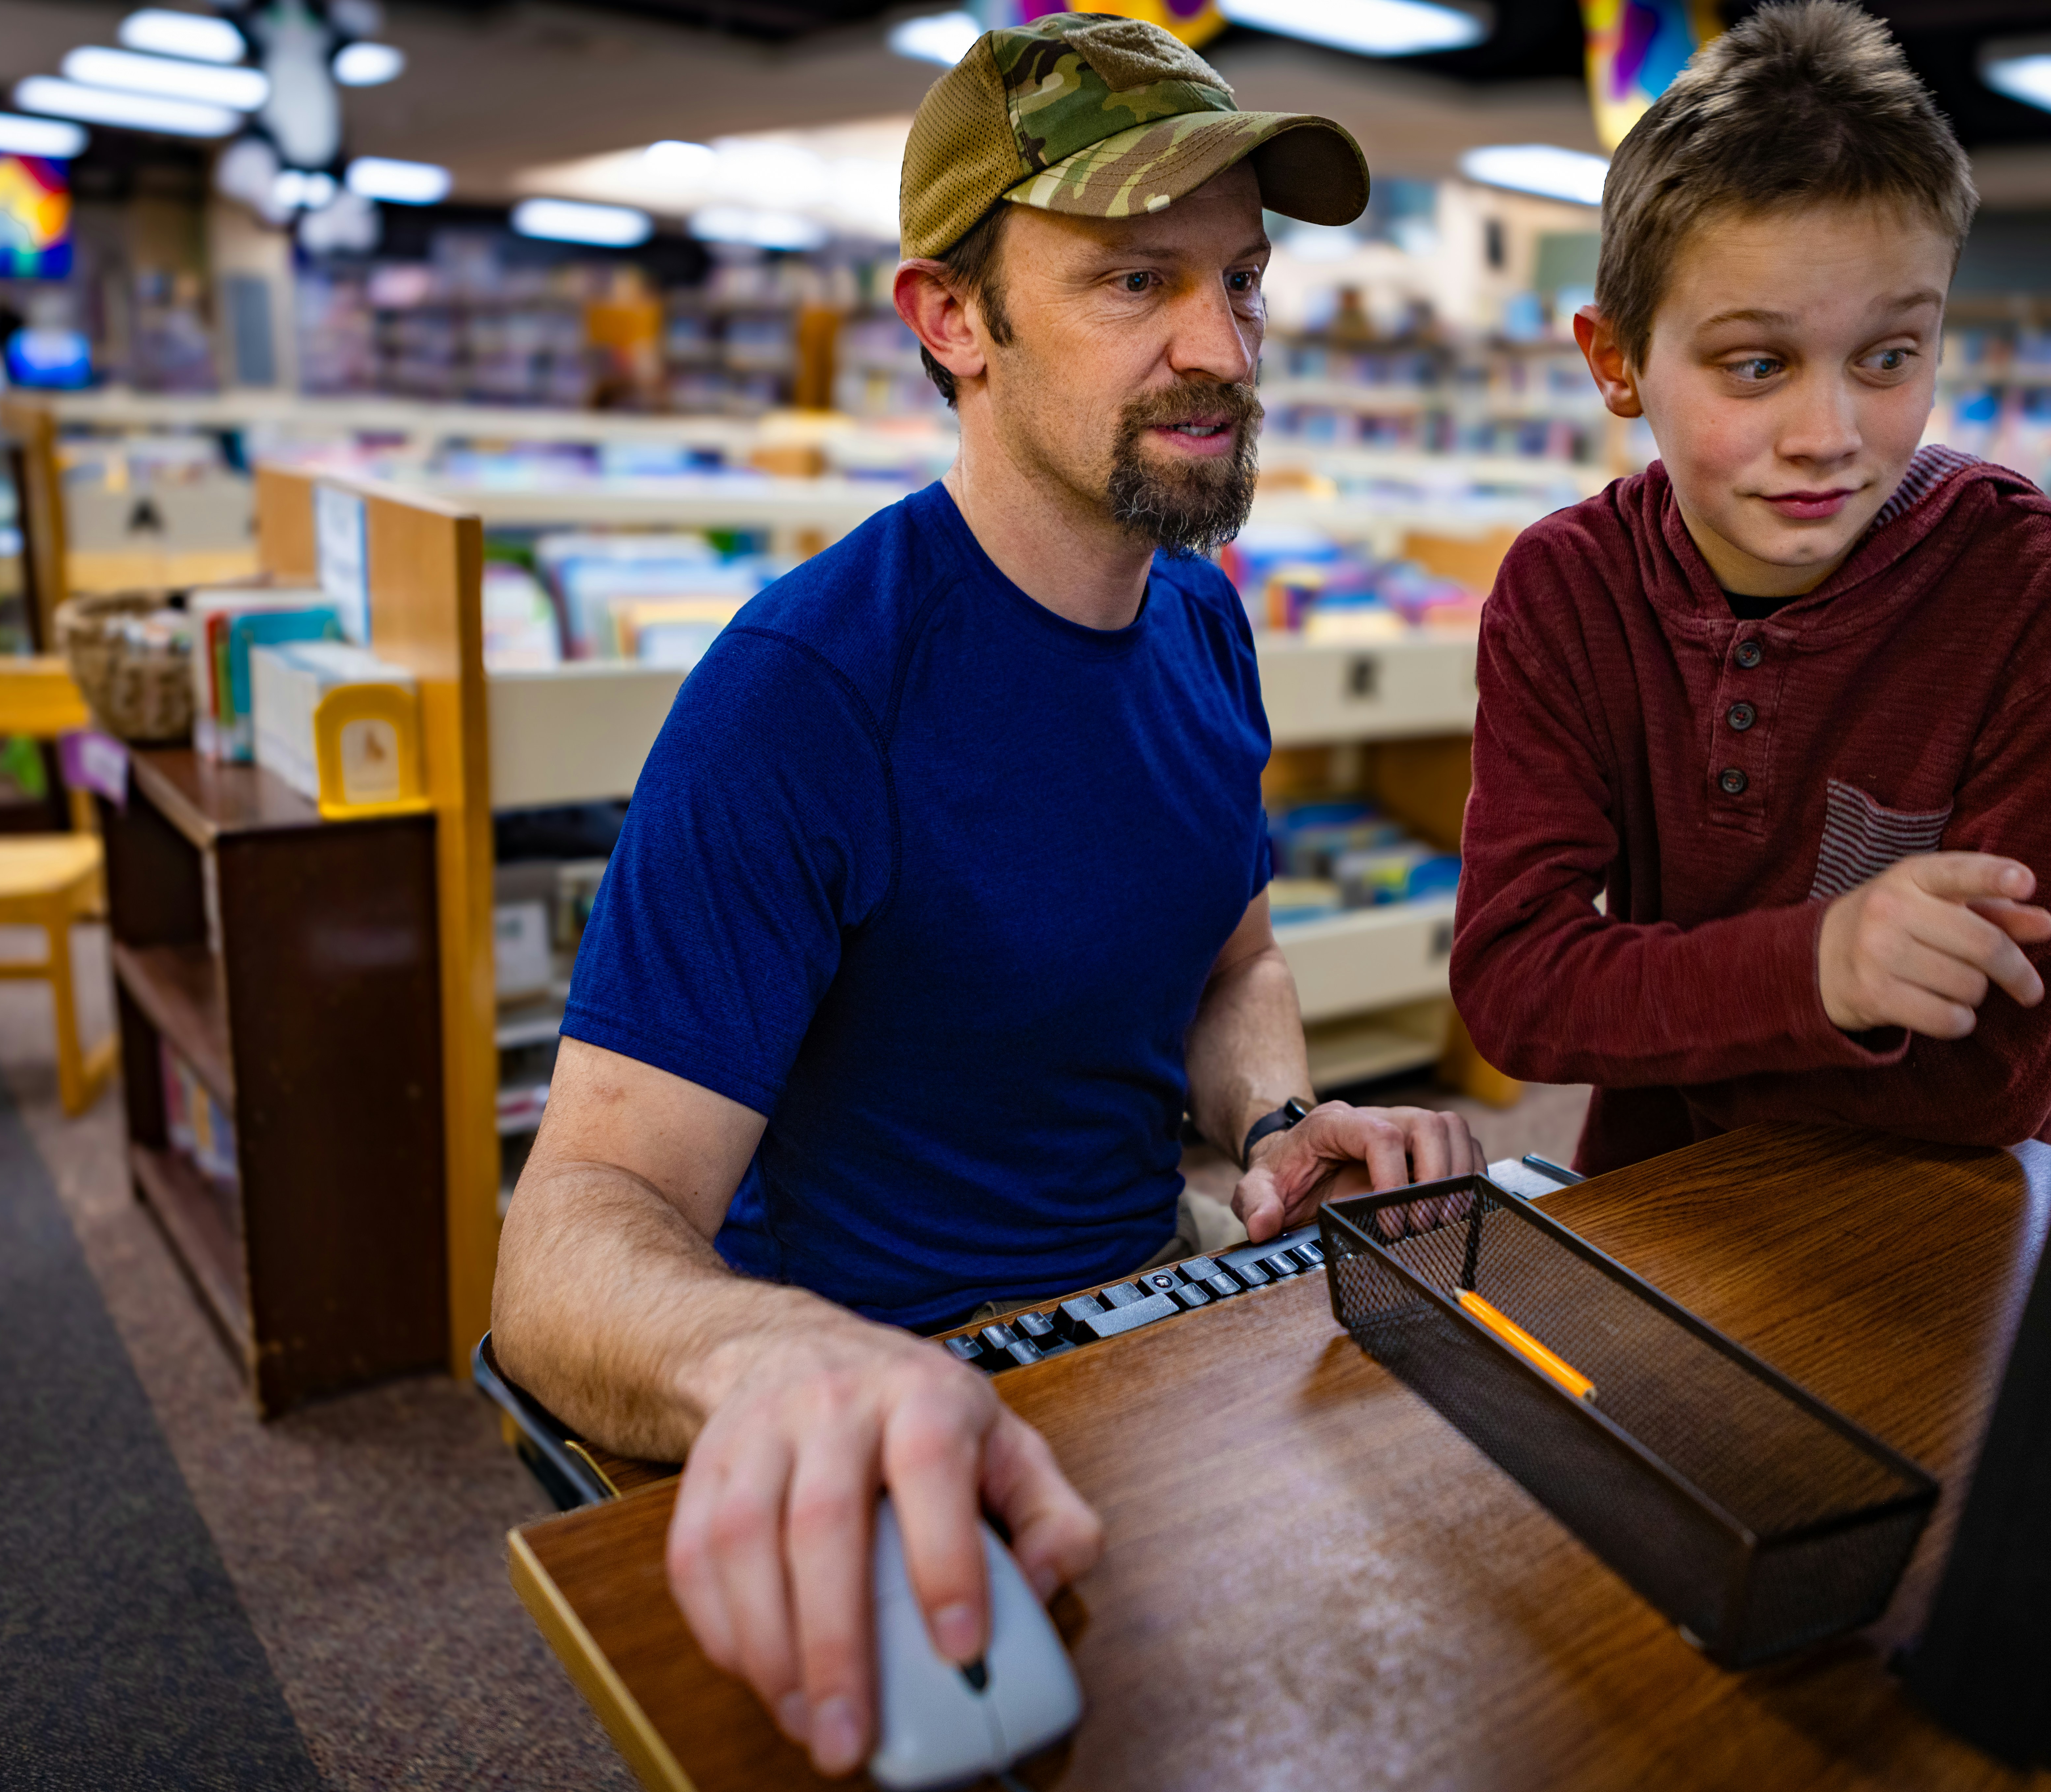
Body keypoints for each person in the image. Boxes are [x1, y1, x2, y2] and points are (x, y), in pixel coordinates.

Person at [491, 16, 1483, 1781]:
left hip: (1156, 1342)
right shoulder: (806, 688)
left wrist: (1284, 1115)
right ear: (954, 319)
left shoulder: (1200, 613)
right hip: (892, 1414)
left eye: (1244, 282)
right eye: (1132, 280)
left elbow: (1234, 948)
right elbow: (570, 1237)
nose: (1220, 348)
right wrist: (769, 1357)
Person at [1450, 0, 2051, 1176]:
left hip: (1938, 1238)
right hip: (1655, 1213)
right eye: (1758, 365)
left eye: (1890, 357)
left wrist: (1640, 999)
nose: (1829, 435)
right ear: (1617, 361)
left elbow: (1991, 1078)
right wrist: (1825, 968)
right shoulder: (1566, 586)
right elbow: (1516, 993)